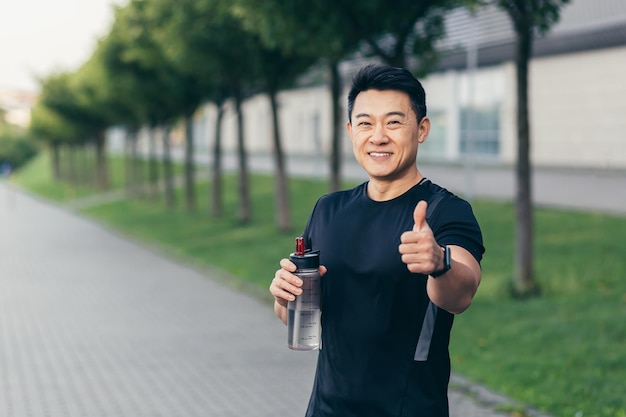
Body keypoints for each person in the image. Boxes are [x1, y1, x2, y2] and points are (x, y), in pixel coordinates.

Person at [269, 64, 485, 417]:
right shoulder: (329, 209)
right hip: (326, 408)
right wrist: (285, 295)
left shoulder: (446, 211)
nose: (378, 136)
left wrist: (438, 261)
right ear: (351, 131)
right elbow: (298, 312)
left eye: (394, 122)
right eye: (366, 123)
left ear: (422, 129)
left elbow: (460, 295)